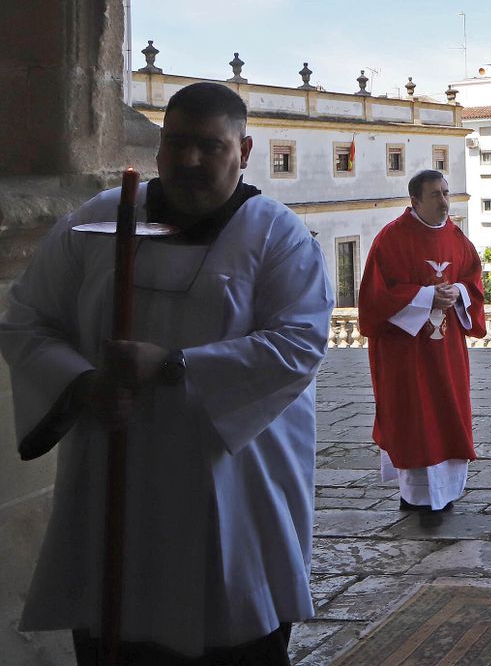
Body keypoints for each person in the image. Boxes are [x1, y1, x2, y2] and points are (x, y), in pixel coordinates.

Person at [0, 82, 333, 665]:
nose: (189, 160)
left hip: (229, 485)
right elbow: (27, 319)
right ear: (158, 148)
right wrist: (82, 384)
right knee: (118, 632)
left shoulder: (275, 234)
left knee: (230, 636)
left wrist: (173, 366)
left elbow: (297, 344)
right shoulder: (98, 220)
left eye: (210, 146)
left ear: (244, 150)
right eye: (176, 143)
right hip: (112, 476)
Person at [357, 169, 485, 527]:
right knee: (416, 418)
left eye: (446, 193)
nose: (444, 202)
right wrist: (427, 296)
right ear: (415, 201)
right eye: (435, 195)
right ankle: (416, 496)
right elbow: (375, 297)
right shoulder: (391, 239)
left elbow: (472, 282)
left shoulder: (456, 238)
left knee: (447, 414)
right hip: (406, 353)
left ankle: (446, 493)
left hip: (447, 352)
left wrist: (457, 292)